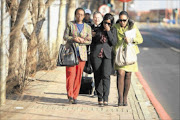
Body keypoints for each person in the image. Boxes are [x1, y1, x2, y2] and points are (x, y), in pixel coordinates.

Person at [113, 11, 143, 106]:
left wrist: (131, 40)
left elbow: (140, 39)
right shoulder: (115, 27)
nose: (122, 22)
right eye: (120, 20)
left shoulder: (132, 27)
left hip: (130, 54)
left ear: (128, 19)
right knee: (120, 73)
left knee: (128, 75)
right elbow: (113, 40)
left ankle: (125, 97)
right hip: (120, 54)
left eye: (124, 20)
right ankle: (120, 97)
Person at [63, 8, 92, 104]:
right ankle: (70, 95)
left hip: (82, 54)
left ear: (84, 16)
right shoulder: (70, 24)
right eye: (78, 14)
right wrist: (74, 38)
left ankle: (75, 96)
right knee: (70, 74)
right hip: (71, 53)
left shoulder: (87, 27)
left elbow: (90, 40)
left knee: (78, 75)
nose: (80, 16)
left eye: (82, 14)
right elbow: (65, 36)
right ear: (75, 15)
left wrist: (83, 40)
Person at [90, 13, 117, 106]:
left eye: (109, 23)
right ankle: (99, 97)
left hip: (107, 56)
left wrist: (108, 31)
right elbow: (92, 42)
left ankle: (106, 98)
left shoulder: (113, 30)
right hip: (96, 55)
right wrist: (93, 35)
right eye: (105, 22)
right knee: (97, 76)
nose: (107, 24)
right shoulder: (97, 29)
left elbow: (113, 42)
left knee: (106, 76)